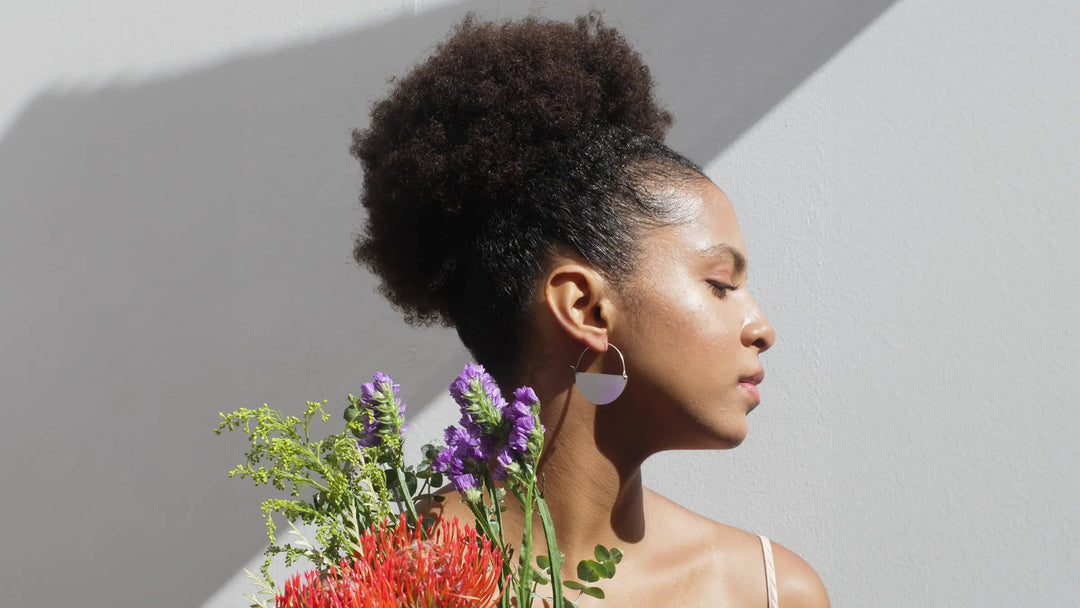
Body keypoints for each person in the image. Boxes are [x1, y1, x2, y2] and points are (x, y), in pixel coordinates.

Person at [351, 12, 830, 608]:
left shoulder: (766, 592)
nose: (762, 329)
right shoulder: (386, 588)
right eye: (719, 284)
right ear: (585, 308)